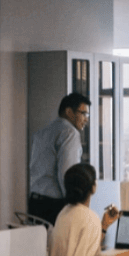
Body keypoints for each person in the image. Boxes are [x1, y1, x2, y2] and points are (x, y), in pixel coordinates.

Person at [48, 164, 129, 256]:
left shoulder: (64, 213)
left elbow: (88, 255)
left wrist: (103, 226)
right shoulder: (89, 217)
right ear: (94, 187)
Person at [28, 93, 92, 225]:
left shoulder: (42, 132)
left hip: (34, 202)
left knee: (41, 244)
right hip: (54, 206)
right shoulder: (69, 133)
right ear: (69, 111)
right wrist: (74, 206)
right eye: (83, 114)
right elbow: (68, 175)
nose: (86, 119)